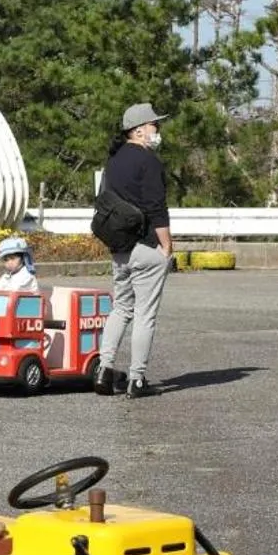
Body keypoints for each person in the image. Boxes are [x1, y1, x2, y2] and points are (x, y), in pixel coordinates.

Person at [94, 103, 172, 399]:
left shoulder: (113, 161)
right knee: (144, 315)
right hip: (147, 246)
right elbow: (156, 207)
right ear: (139, 130)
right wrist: (167, 247)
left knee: (121, 308)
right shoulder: (148, 161)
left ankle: (104, 369)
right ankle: (137, 380)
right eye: (155, 125)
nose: (158, 130)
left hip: (120, 247)